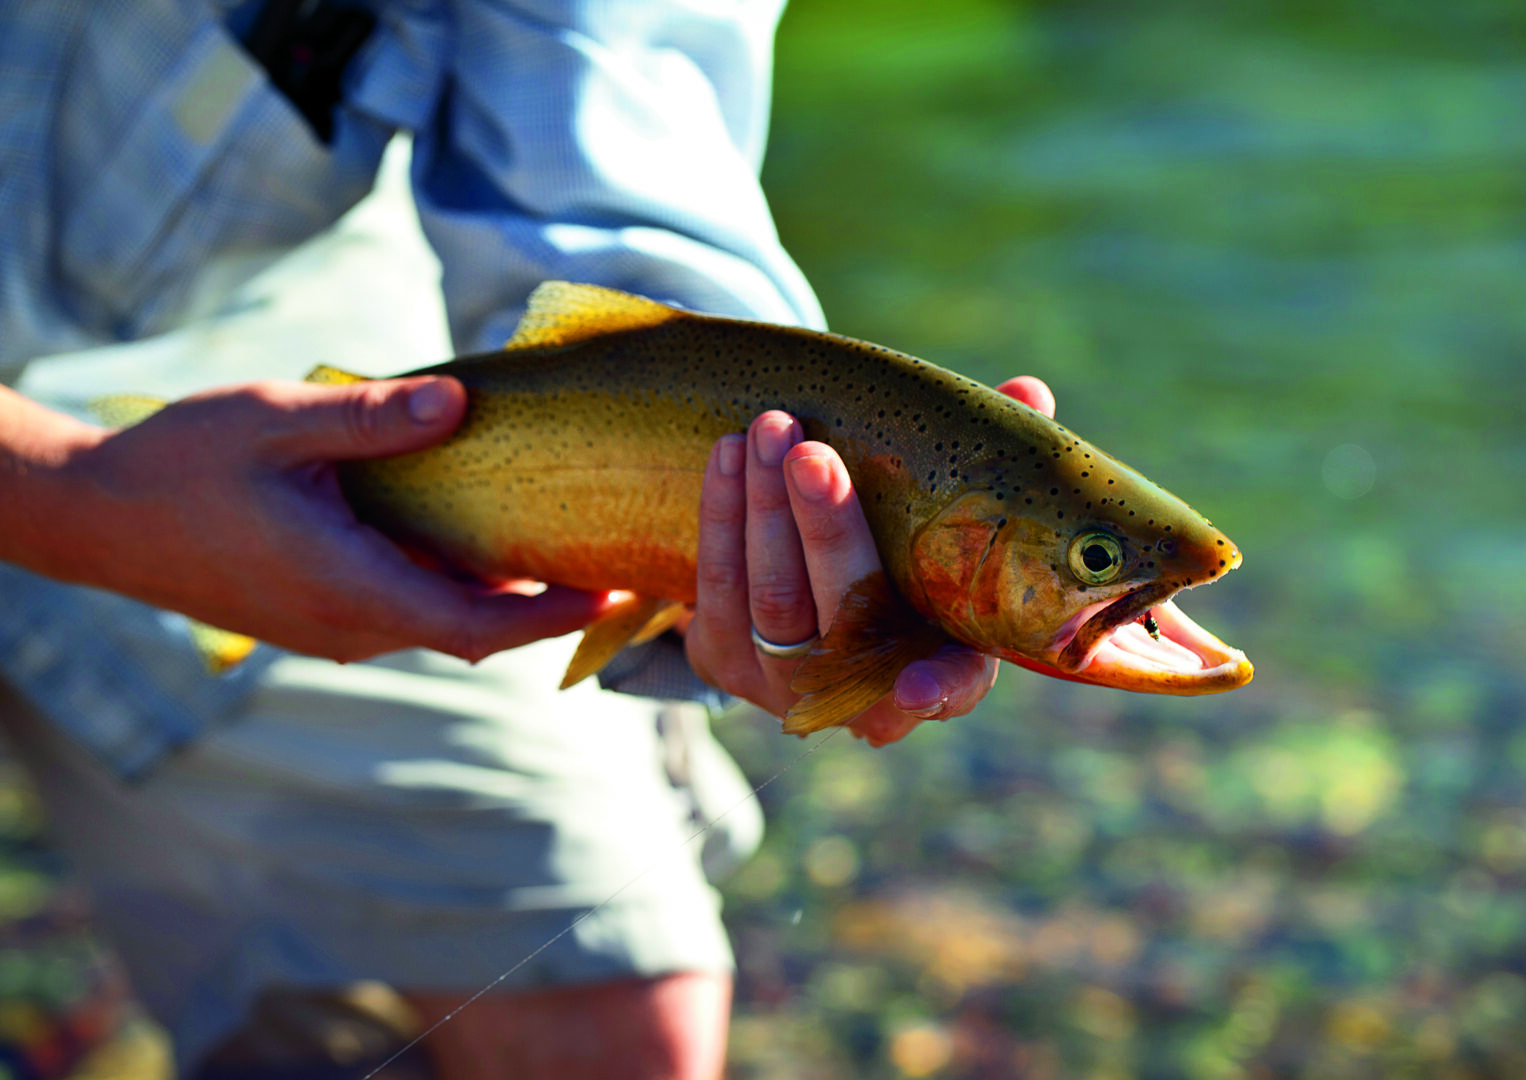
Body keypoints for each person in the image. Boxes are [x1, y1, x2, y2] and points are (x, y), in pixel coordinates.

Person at [0, 2, 1049, 1077]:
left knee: (612, 1020)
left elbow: (605, 87)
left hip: (253, 346)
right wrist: (72, 499)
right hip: (88, 446)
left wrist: (719, 499)